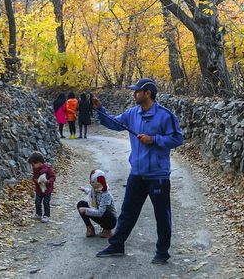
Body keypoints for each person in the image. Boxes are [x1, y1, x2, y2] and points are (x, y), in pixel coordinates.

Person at [92, 78, 184, 265]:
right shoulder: (132, 113)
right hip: (137, 174)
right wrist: (99, 110)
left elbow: (177, 139)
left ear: (147, 93)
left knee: (162, 215)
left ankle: (162, 253)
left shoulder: (166, 116)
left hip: (158, 175)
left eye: (137, 91)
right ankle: (117, 245)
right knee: (128, 212)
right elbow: (115, 124)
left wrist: (154, 139)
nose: (134, 94)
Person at [77, 169, 117, 238]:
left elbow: (101, 212)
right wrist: (84, 189)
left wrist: (86, 210)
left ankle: (107, 229)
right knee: (81, 204)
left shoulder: (106, 195)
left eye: (93, 182)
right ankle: (89, 227)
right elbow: (91, 192)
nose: (91, 183)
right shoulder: (95, 189)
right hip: (99, 214)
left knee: (105, 212)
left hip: (109, 219)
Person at [28, 152, 56, 223]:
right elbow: (34, 177)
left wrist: (48, 181)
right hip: (39, 189)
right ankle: (38, 214)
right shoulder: (35, 169)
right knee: (37, 202)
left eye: (33, 164)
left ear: (39, 162)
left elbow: (53, 177)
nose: (32, 166)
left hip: (47, 190)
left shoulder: (47, 168)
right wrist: (36, 181)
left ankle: (46, 215)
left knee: (46, 202)